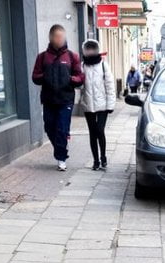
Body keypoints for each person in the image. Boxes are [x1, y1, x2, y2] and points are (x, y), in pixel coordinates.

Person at [31, 24, 84, 171]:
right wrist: (46, 76)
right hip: (48, 99)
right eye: (57, 37)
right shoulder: (42, 57)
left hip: (66, 99)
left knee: (61, 128)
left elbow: (80, 77)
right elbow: (35, 77)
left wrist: (70, 79)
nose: (60, 39)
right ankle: (61, 148)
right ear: (51, 38)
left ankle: (61, 158)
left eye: (62, 37)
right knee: (49, 127)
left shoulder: (72, 57)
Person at [79, 39, 116, 170]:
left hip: (102, 105)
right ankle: (95, 160)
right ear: (85, 50)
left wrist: (111, 105)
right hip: (88, 105)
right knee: (92, 133)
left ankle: (103, 157)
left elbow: (110, 85)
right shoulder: (82, 65)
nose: (90, 51)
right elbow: (79, 86)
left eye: (92, 48)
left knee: (100, 130)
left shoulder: (103, 65)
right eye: (87, 49)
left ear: (96, 49)